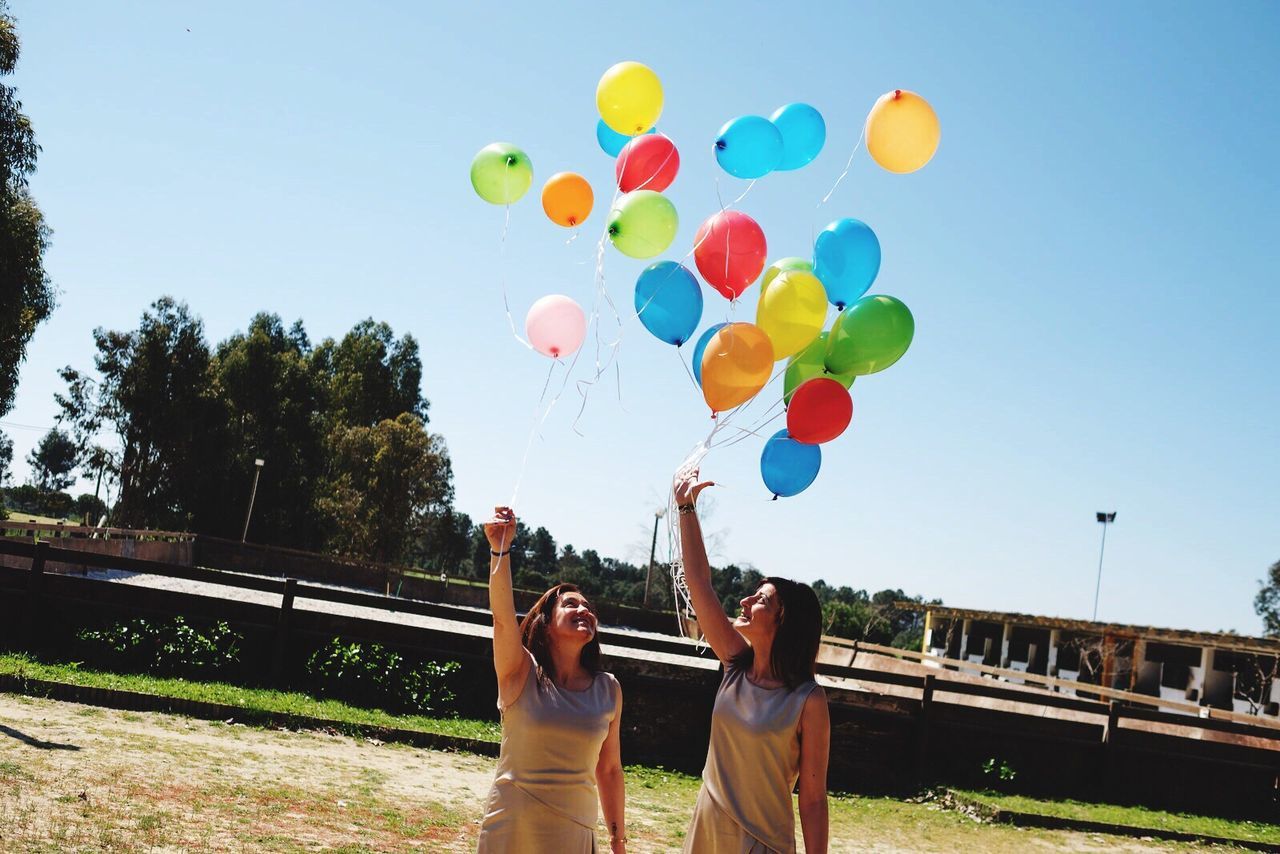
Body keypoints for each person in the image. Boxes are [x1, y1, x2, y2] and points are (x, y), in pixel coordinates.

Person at [674, 471, 831, 854]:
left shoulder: (809, 701)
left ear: (784, 622)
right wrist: (686, 507)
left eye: (761, 599)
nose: (744, 601)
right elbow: (698, 582)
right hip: (707, 834)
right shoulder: (733, 666)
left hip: (762, 844)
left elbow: (811, 799)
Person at [476, 506, 627, 853]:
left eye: (588, 607)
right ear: (545, 622)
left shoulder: (609, 689)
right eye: (571, 604)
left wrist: (618, 841)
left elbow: (610, 770)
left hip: (574, 834)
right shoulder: (520, 671)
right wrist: (500, 551)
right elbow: (501, 619)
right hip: (513, 829)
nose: (584, 610)